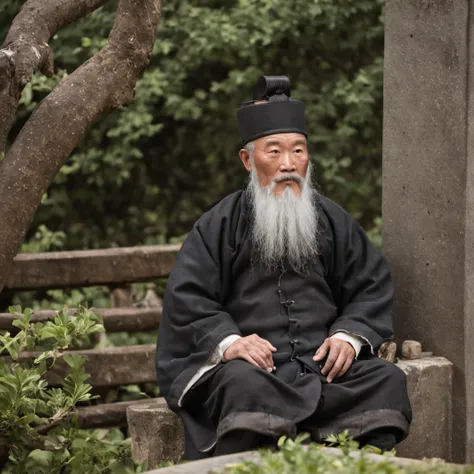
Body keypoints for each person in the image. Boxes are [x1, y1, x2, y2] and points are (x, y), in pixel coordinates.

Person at [156, 75, 412, 460]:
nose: (288, 164)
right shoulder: (218, 226)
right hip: (258, 374)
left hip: (324, 373)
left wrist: (349, 336)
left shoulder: (331, 220)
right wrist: (231, 343)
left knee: (385, 379)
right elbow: (189, 299)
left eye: (298, 151)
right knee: (241, 386)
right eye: (273, 152)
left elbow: (369, 285)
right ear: (248, 159)